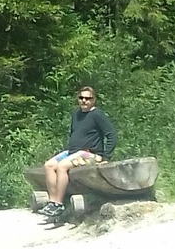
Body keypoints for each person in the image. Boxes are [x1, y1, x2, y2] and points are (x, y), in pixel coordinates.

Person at [38, 85, 117, 218]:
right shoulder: (76, 115)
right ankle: (52, 202)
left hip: (89, 153)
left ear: (94, 100)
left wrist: (105, 156)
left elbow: (111, 134)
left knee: (62, 166)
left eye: (88, 98)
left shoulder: (97, 115)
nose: (84, 101)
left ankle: (58, 204)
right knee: (49, 165)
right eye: (81, 98)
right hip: (73, 152)